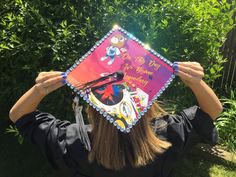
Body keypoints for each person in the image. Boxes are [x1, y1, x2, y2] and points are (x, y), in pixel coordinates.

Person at [9, 62, 222, 177]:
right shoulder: (166, 136)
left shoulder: (74, 143)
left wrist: (40, 89)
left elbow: (19, 116)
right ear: (148, 103)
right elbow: (211, 111)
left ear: (92, 108)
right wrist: (196, 83)